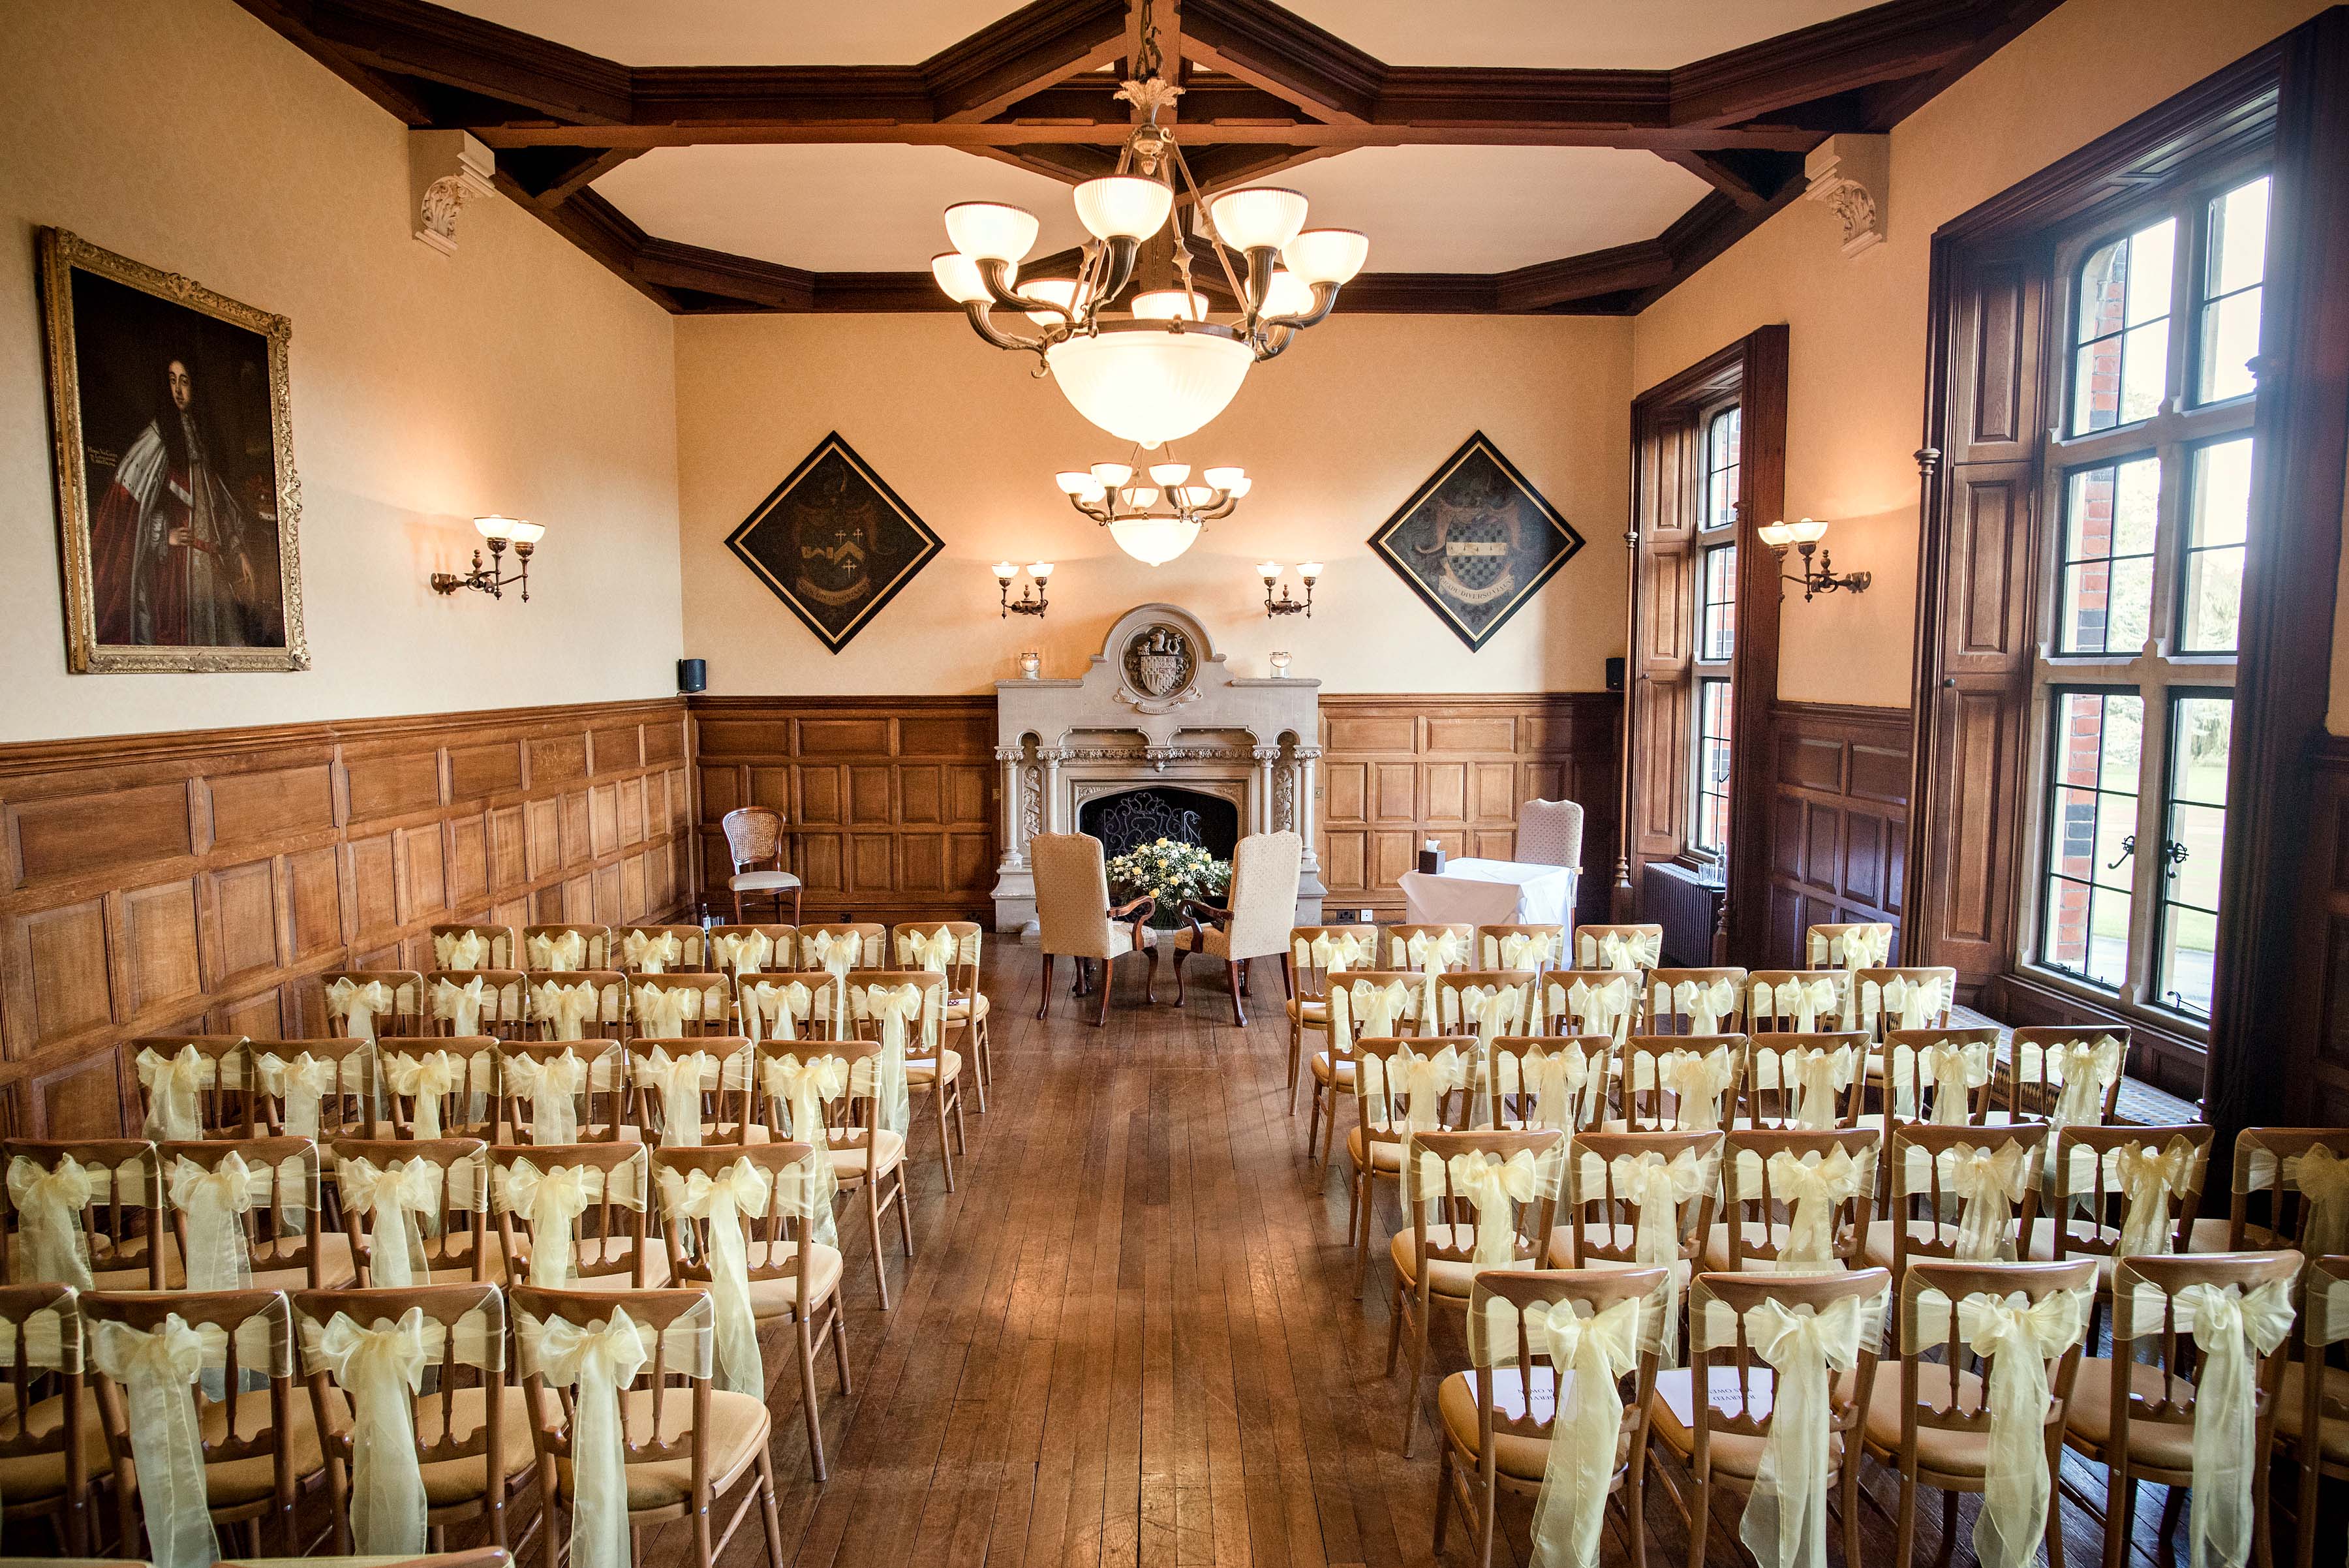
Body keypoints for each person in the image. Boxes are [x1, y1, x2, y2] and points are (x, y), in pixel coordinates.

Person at [88, 353, 274, 647]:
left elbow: (216, 508)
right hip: (175, 571)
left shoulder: (199, 437)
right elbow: (125, 516)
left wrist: (239, 553)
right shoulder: (154, 440)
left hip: (210, 569)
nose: (178, 390)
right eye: (172, 381)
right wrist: (164, 535)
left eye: (184, 382)